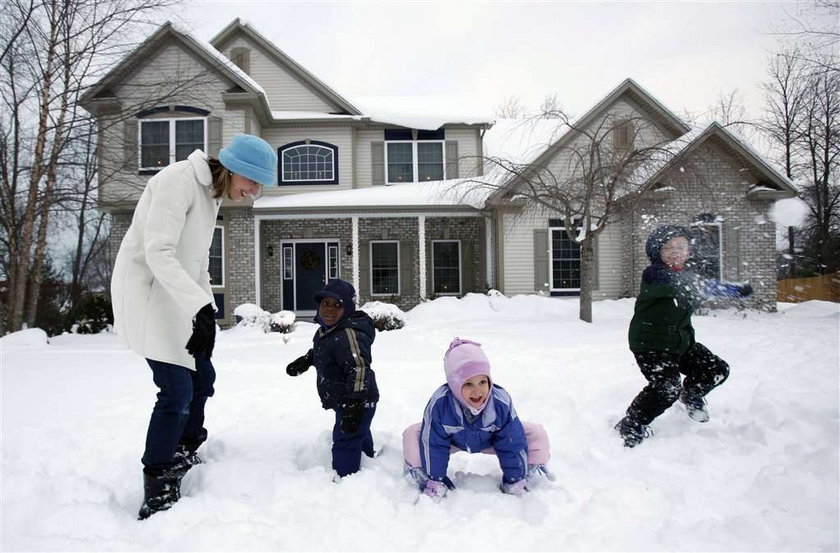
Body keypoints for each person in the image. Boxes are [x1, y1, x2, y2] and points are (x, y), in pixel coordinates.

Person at [111, 134, 277, 519]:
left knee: (202, 379)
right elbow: (158, 252)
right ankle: (157, 480)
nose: (254, 191)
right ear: (234, 170)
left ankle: (184, 448)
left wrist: (208, 312)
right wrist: (198, 305)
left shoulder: (211, 195)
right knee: (175, 391)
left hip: (179, 300)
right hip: (149, 297)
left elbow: (199, 264)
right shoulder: (179, 180)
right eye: (252, 181)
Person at [615, 224, 753, 448]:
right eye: (668, 248)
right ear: (657, 252)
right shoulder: (655, 274)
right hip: (651, 344)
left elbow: (696, 286)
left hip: (680, 343)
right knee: (666, 387)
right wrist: (725, 288)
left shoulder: (688, 278)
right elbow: (686, 286)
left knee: (716, 369)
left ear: (689, 251)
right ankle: (632, 423)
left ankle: (691, 394)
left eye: (681, 247)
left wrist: (735, 290)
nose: (675, 251)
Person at [402, 338, 553, 500]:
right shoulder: (440, 405)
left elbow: (511, 443)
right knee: (413, 434)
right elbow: (434, 444)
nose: (477, 391)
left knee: (536, 433)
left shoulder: (500, 403)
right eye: (468, 384)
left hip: (492, 441)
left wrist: (514, 478)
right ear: (454, 385)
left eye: (482, 382)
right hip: (453, 441)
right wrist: (435, 478)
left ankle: (528, 471)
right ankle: (423, 475)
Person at [285, 279, 380, 479]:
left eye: (337, 305)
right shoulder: (326, 331)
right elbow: (326, 351)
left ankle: (346, 479)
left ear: (347, 309)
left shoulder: (348, 334)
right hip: (346, 398)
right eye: (325, 304)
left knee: (345, 440)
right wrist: (307, 360)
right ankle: (370, 466)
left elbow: (359, 367)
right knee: (357, 433)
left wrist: (355, 404)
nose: (329, 309)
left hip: (358, 398)